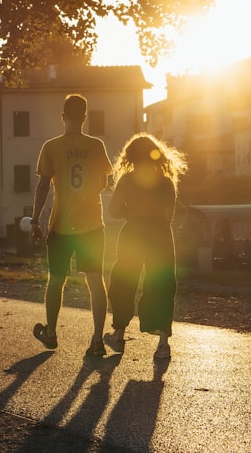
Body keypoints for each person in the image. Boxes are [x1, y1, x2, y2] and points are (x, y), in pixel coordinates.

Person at [30, 94, 112, 357]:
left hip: (62, 225)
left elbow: (43, 186)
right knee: (96, 281)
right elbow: (105, 183)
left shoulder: (51, 147)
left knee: (56, 280)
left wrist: (34, 220)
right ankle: (97, 341)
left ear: (63, 116)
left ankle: (51, 333)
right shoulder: (97, 145)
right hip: (92, 226)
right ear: (85, 118)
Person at [105, 133, 187, 360]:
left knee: (124, 281)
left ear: (130, 157)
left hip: (132, 234)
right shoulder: (166, 182)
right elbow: (168, 215)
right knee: (162, 284)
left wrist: (130, 211)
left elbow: (113, 211)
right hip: (160, 235)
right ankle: (162, 344)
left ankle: (119, 335)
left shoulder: (128, 180)